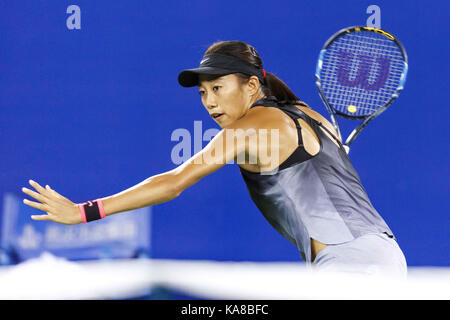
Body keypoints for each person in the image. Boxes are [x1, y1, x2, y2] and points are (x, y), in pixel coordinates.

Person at [21, 40, 407, 277]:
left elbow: (173, 182)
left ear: (252, 85)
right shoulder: (314, 117)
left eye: (219, 88)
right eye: (203, 92)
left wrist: (84, 212)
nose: (209, 101)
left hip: (352, 267)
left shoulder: (254, 124)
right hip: (386, 256)